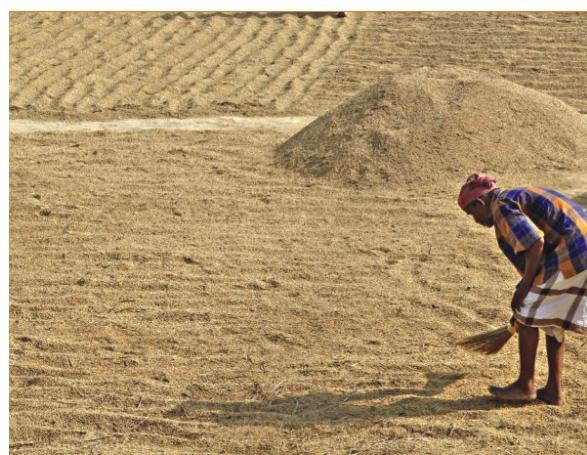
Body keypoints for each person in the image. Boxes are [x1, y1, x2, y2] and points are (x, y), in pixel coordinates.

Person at [458, 173, 587, 405]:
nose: (474, 219)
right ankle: (553, 391)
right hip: (578, 247)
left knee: (526, 314)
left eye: (471, 213)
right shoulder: (511, 196)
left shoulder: (501, 207)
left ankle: (525, 385)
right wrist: (527, 281)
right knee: (550, 320)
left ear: (479, 203)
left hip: (574, 252)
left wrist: (525, 285)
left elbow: (535, 244)